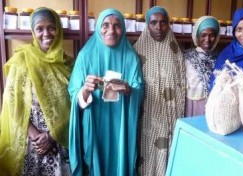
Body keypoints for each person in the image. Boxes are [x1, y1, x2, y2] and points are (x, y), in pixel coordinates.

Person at [68, 8, 144, 176]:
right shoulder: (85, 56)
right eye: (106, 25)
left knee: (119, 163)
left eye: (117, 26)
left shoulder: (131, 57)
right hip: (95, 123)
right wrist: (85, 90)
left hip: (121, 126)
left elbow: (139, 93)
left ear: (123, 29)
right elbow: (74, 96)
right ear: (98, 28)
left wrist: (129, 90)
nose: (111, 30)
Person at [0, 7, 73, 175]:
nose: (46, 33)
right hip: (32, 144)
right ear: (33, 31)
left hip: (60, 141)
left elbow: (75, 104)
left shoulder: (69, 64)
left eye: (51, 27)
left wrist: (52, 135)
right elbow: (12, 102)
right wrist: (35, 135)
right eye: (40, 29)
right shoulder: (21, 60)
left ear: (58, 30)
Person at [133, 6, 186, 176]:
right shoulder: (136, 51)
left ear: (168, 25)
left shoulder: (175, 51)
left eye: (163, 23)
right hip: (146, 116)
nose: (158, 27)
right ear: (147, 25)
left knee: (168, 150)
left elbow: (182, 84)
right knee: (146, 150)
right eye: (154, 22)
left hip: (170, 114)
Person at [183, 16, 220, 117]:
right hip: (192, 104)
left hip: (214, 105)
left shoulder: (221, 58)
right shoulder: (186, 57)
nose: (207, 39)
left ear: (216, 37)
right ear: (197, 36)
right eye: (203, 35)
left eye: (212, 35)